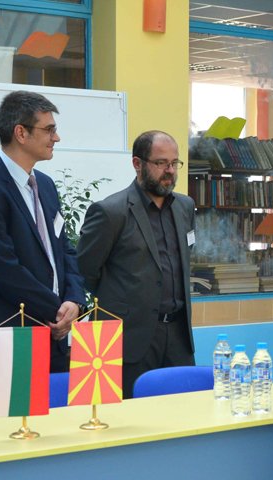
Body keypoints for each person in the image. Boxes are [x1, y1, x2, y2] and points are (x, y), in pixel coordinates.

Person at [0, 91, 86, 414]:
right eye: (49, 129)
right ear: (21, 133)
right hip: (12, 336)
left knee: (59, 429)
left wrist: (74, 300)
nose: (56, 137)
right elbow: (3, 269)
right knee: (12, 432)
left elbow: (65, 250)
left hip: (54, 334)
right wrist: (57, 310)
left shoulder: (45, 185)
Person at [77, 131, 196, 398]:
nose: (170, 171)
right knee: (126, 416)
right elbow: (85, 271)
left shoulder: (185, 207)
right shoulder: (110, 212)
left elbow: (183, 258)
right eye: (161, 163)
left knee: (181, 412)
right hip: (126, 339)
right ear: (137, 164)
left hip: (178, 337)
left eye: (174, 163)